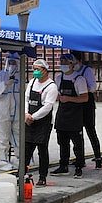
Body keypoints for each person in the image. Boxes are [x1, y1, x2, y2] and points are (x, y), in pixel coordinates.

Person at [50, 53, 89, 179]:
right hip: (62, 114)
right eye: (61, 62)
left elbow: (85, 98)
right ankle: (63, 166)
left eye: (66, 62)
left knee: (77, 143)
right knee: (62, 142)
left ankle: (79, 166)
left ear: (72, 64)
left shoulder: (79, 79)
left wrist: (69, 99)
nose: (63, 65)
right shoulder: (58, 78)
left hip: (75, 116)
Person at [24, 59, 58, 187]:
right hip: (29, 120)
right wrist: (26, 114)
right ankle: (22, 173)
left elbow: (48, 106)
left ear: (45, 70)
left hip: (43, 123)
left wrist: (34, 117)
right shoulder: (32, 82)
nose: (35, 72)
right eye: (34, 69)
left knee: (42, 149)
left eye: (38, 69)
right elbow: (26, 99)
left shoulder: (51, 87)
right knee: (26, 149)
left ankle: (42, 176)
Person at [0, 53, 21, 171]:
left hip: (17, 111)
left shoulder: (20, 76)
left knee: (18, 135)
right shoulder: (1, 76)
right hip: (3, 112)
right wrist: (5, 84)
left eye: (14, 62)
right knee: (2, 136)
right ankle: (2, 160)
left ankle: (18, 158)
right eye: (10, 62)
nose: (12, 65)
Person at [72, 51, 102, 168]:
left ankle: (98, 156)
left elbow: (93, 88)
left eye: (74, 61)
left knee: (90, 129)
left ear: (79, 61)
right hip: (75, 102)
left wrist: (82, 87)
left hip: (87, 101)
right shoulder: (70, 71)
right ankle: (80, 157)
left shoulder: (86, 71)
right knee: (77, 132)